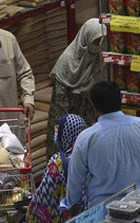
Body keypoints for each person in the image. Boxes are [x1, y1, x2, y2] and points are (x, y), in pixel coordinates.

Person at [61, 81, 140, 210]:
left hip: (106, 214)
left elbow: (76, 180)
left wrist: (67, 203)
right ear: (120, 100)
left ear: (94, 107)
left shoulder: (86, 138)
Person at [47, 18, 105, 154]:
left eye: (100, 42)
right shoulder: (67, 63)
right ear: (86, 40)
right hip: (69, 124)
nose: (98, 46)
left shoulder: (98, 60)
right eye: (95, 42)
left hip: (91, 123)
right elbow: (59, 110)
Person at [27, 114, 86, 223]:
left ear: (66, 133)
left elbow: (45, 197)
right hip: (86, 219)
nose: (56, 133)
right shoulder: (88, 156)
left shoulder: (58, 161)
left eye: (58, 130)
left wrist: (31, 213)